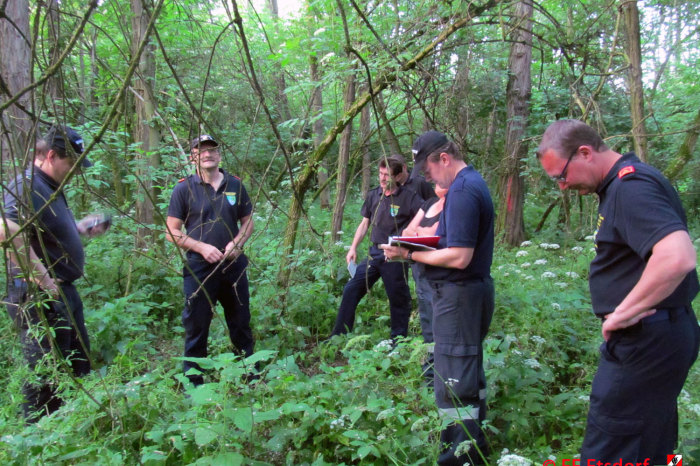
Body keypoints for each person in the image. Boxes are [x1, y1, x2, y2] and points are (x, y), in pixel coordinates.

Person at [535, 119, 699, 463]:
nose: (562, 187)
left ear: (585, 152)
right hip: (659, 337)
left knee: (612, 445)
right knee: (648, 443)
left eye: (561, 176)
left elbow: (677, 256)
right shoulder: (622, 184)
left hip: (646, 342)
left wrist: (621, 314)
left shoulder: (630, 187)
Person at [381, 131, 495, 465]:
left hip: (458, 296)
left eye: (428, 171)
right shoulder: (470, 184)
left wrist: (409, 255)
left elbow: (459, 256)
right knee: (468, 371)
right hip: (466, 293)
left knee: (454, 380)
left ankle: (460, 458)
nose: (427, 178)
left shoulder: (462, 190)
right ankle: (476, 446)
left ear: (444, 158)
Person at [2, 125, 108, 421]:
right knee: (46, 372)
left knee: (77, 364)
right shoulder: (27, 185)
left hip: (62, 291)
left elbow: (41, 232)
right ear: (50, 155)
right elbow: (6, 231)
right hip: (39, 295)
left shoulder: (49, 187)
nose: (74, 169)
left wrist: (77, 230)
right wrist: (43, 280)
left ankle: (72, 430)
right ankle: (36, 439)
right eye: (71, 162)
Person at [166, 135, 255, 386]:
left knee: (240, 322)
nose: (207, 154)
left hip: (233, 266)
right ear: (193, 156)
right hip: (199, 267)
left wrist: (238, 243)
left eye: (212, 150)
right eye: (201, 151)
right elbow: (171, 231)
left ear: (219, 154)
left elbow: (248, 222)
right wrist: (201, 247)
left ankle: (249, 374)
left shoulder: (235, 184)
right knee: (197, 325)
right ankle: (194, 383)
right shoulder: (184, 188)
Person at [330, 156, 423, 340]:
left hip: (395, 255)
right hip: (374, 254)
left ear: (397, 177)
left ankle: (398, 341)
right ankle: (339, 335)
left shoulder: (408, 197)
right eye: (380, 173)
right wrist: (353, 247)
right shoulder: (374, 195)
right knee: (351, 289)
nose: (382, 178)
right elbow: (365, 223)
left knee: (398, 298)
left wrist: (410, 238)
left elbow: (425, 214)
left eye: (387, 175)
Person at [401, 183, 447, 383]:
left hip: (440, 276)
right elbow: (406, 233)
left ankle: (443, 374)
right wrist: (422, 231)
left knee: (441, 325)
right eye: (435, 183)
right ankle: (430, 374)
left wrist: (419, 231)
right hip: (420, 272)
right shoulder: (429, 203)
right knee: (427, 323)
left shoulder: (453, 206)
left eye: (441, 182)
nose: (437, 185)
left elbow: (433, 235)